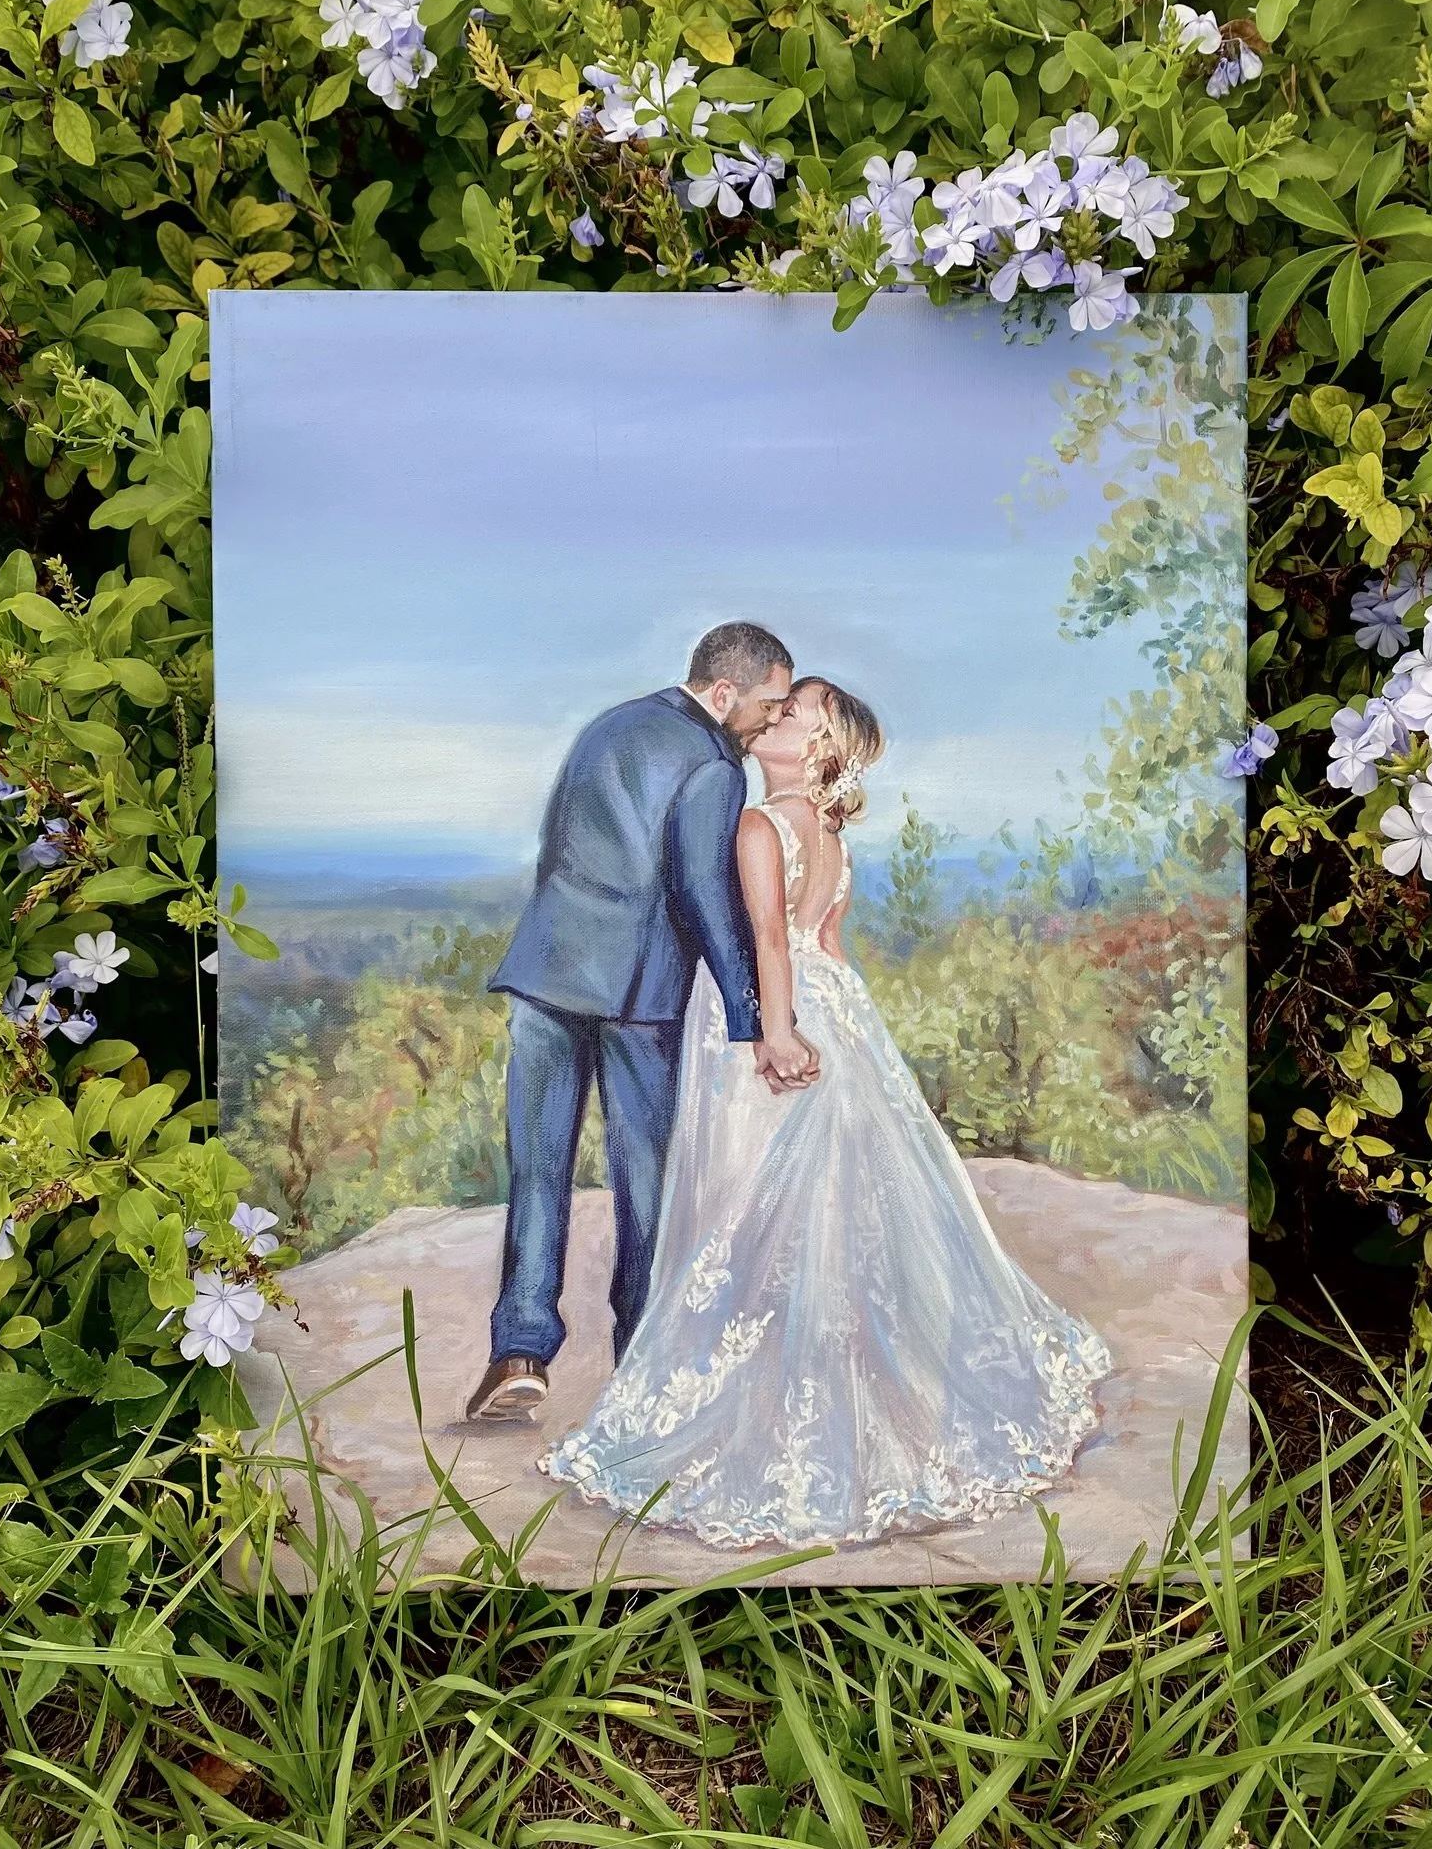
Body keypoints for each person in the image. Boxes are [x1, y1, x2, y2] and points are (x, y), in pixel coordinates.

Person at [541, 678, 1112, 1547]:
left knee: (753, 1198)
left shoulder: (761, 824)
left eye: (792, 713)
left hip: (773, 1015)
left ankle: (772, 1389)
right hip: (834, 1007)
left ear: (816, 745)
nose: (774, 718)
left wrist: (776, 1031)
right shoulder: (832, 835)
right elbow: (831, 943)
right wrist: (849, 1032)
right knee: (823, 1206)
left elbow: (771, 936)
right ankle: (812, 1365)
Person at [464, 623, 819, 1425]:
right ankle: (642, 1362)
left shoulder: (610, 726)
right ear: (724, 693)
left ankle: (519, 1352)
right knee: (646, 1181)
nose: (772, 721)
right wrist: (753, 1018)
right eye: (768, 704)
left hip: (546, 974)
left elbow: (563, 851)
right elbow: (702, 894)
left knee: (538, 1169)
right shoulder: (713, 765)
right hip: (639, 995)